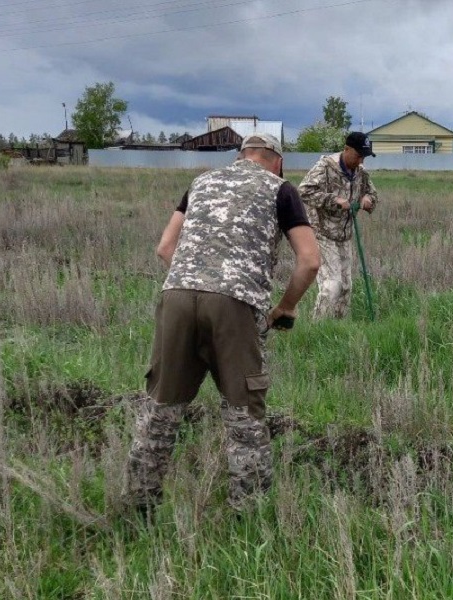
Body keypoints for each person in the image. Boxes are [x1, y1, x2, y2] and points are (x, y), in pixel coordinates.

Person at [124, 133, 320, 512]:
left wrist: (198, 277)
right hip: (235, 305)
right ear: (277, 161)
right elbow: (310, 261)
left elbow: (165, 248)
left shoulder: (200, 181)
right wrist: (285, 307)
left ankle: (137, 509)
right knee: (244, 418)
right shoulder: (281, 189)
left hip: (177, 296)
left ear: (240, 157)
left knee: (161, 410)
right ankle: (249, 518)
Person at [297, 131, 378, 319]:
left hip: (345, 234)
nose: (361, 161)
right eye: (358, 156)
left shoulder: (361, 173)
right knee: (332, 284)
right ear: (346, 149)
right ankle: (318, 328)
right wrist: (334, 200)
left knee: (346, 286)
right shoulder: (325, 167)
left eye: (364, 157)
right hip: (322, 232)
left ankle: (338, 328)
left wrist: (368, 199)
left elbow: (373, 195)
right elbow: (304, 191)